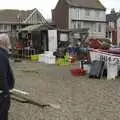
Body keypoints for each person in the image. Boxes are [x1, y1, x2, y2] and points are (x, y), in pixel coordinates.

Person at [0, 34, 15, 120]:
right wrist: (6, 93)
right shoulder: (1, 55)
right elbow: (1, 76)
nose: (9, 44)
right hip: (2, 94)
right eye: (8, 42)